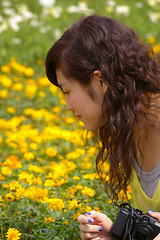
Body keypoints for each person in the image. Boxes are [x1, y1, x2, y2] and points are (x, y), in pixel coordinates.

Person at [45, 15, 160, 239]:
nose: (68, 106)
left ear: (101, 81)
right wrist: (116, 234)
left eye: (67, 91)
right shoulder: (130, 130)